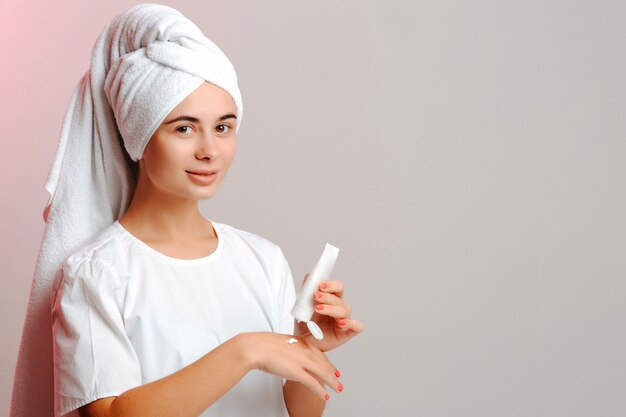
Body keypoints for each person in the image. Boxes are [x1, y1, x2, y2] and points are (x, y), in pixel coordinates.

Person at [10, 3, 363, 417]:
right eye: (184, 127)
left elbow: (296, 413)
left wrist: (306, 350)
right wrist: (244, 350)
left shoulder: (263, 260)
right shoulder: (97, 274)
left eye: (223, 127)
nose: (209, 150)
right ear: (138, 135)